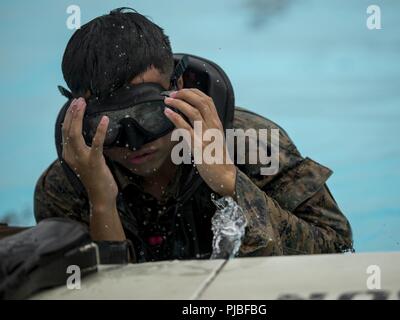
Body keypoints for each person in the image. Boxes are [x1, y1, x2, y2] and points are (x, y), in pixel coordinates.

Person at [34, 8, 353, 263]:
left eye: (147, 114)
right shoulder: (66, 185)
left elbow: (338, 252)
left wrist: (229, 180)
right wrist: (100, 200)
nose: (134, 140)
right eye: (110, 123)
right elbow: (96, 292)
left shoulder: (251, 145)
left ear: (178, 86)